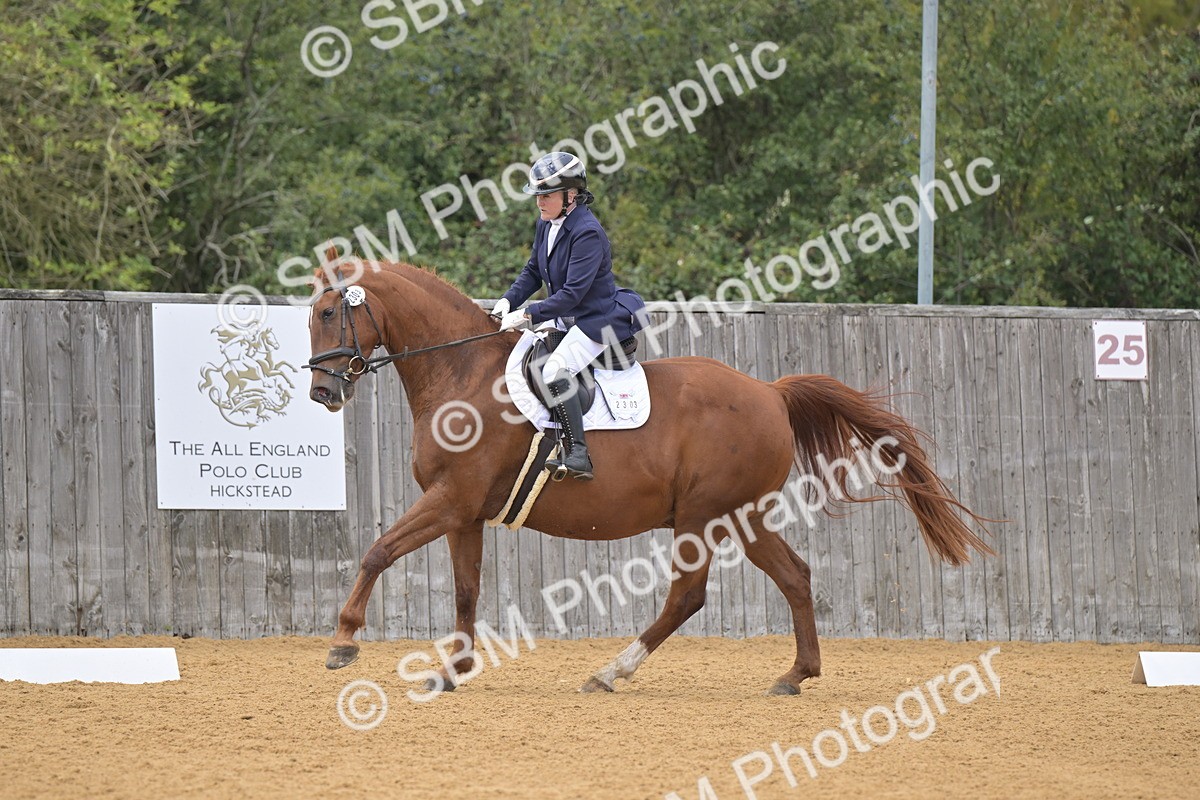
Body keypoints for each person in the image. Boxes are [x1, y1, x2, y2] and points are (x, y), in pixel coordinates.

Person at [494, 151, 646, 481]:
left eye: (546, 195)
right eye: (538, 196)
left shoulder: (587, 232)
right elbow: (533, 271)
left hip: (595, 320)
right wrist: (507, 300)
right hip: (566, 317)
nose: (539, 202)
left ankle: (578, 453)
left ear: (571, 195)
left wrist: (528, 313)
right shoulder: (546, 223)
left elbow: (572, 294)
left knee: (554, 370)